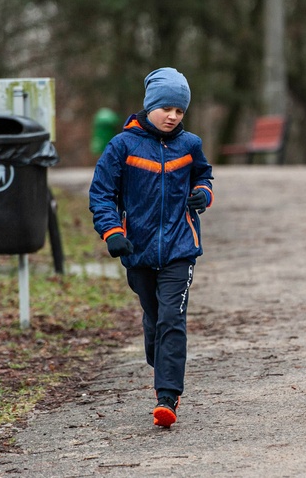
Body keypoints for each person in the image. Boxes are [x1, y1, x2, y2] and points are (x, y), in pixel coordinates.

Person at [89, 67, 214, 428]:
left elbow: (203, 175)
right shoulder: (122, 146)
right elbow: (101, 193)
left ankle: (167, 398)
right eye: (167, 109)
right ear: (150, 105)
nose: (174, 117)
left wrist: (202, 194)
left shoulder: (189, 145)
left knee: (172, 318)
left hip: (180, 246)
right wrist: (112, 232)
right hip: (137, 249)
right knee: (154, 316)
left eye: (180, 111)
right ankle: (158, 353)